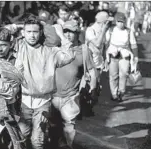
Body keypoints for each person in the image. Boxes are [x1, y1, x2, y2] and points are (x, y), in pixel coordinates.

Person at [13, 18, 75, 149]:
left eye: (35, 31)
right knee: (22, 135)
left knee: (37, 139)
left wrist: (62, 36)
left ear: (41, 32)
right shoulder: (18, 47)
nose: (32, 35)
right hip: (23, 101)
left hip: (43, 102)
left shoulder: (50, 51)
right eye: (28, 31)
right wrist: (15, 25)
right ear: (23, 32)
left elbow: (69, 56)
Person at [52, 20, 97, 149]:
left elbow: (92, 70)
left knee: (69, 127)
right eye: (65, 31)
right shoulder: (56, 47)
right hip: (52, 96)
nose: (68, 35)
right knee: (53, 128)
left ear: (78, 33)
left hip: (71, 97)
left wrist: (93, 88)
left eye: (71, 32)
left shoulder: (84, 50)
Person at [105, 12, 138, 102]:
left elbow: (133, 44)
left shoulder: (128, 31)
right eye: (119, 21)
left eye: (122, 22)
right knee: (113, 75)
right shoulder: (111, 30)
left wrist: (136, 56)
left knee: (123, 74)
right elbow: (106, 43)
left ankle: (121, 91)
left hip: (125, 54)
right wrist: (104, 54)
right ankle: (114, 94)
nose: (121, 23)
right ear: (116, 21)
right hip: (113, 53)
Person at [85, 11, 113, 86]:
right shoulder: (90, 30)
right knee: (91, 86)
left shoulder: (105, 31)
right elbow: (97, 44)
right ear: (104, 22)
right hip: (90, 63)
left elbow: (104, 46)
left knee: (97, 85)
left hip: (99, 63)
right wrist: (103, 30)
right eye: (108, 22)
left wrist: (106, 59)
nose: (109, 24)